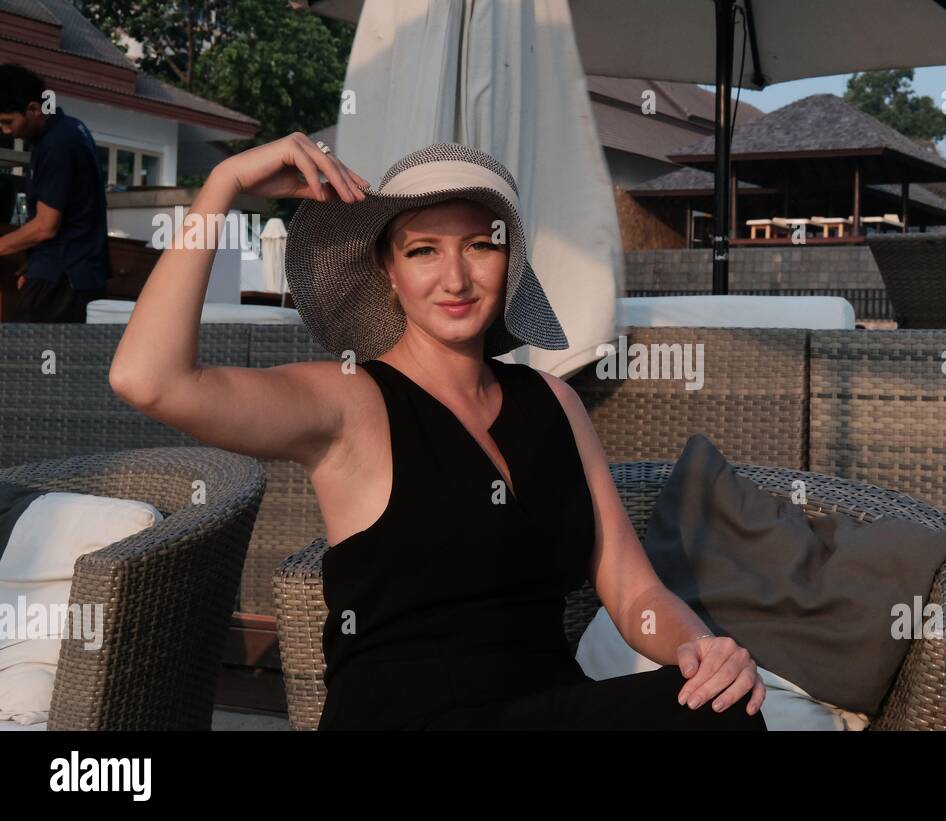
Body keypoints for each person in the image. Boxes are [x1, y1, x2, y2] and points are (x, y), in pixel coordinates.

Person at [108, 133, 767, 731]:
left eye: (479, 246)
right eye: (424, 250)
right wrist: (221, 184)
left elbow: (632, 590)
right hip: (407, 718)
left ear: (508, 261)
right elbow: (149, 379)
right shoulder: (350, 401)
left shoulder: (554, 402)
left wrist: (696, 646)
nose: (454, 278)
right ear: (390, 273)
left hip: (549, 707)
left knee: (724, 706)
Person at [0, 64, 109, 322]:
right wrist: (37, 262)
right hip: (73, 274)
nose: (6, 131)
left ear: (34, 109)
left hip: (63, 282)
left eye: (7, 122)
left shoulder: (57, 144)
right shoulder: (71, 129)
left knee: (31, 358)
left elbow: (45, 227)